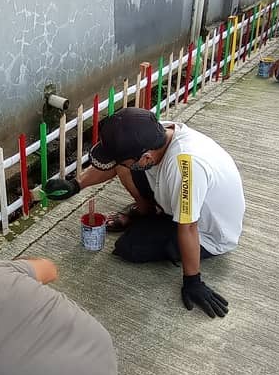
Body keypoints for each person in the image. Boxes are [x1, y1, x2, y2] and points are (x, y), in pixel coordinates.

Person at [43, 107, 243, 319]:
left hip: (207, 231)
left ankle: (150, 217)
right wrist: (75, 185)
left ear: (146, 157)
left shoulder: (185, 167)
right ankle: (146, 211)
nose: (118, 163)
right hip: (182, 202)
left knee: (130, 248)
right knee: (125, 166)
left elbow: (189, 226)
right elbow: (116, 165)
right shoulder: (154, 133)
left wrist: (193, 281)